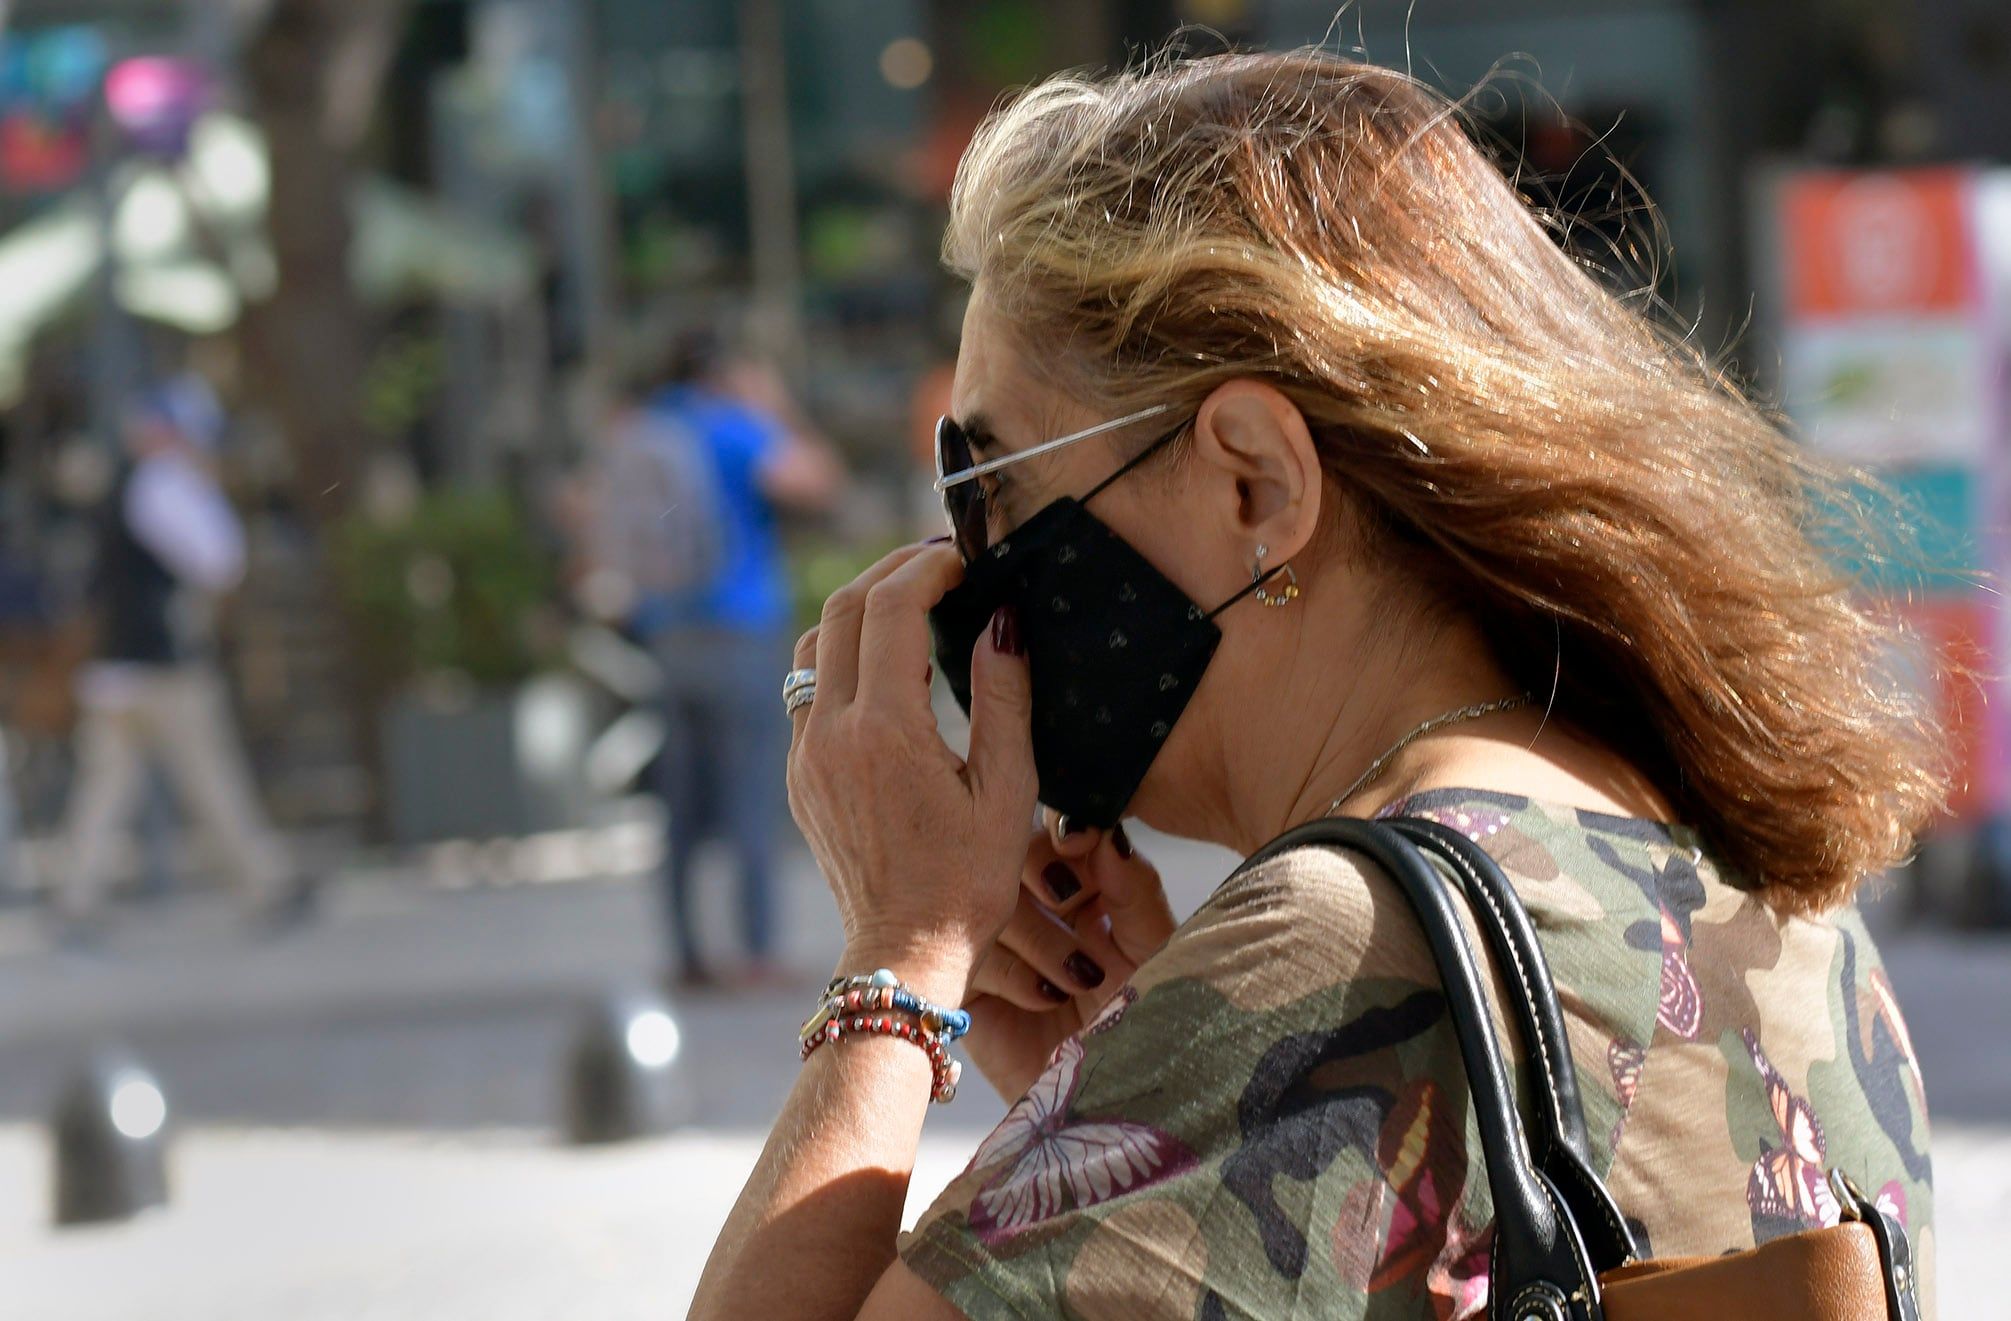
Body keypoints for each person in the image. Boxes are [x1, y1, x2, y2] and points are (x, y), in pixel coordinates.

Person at [691, 50, 1943, 1319]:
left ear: (1254, 483)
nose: (966, 568)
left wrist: (896, 965)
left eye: (994, 485)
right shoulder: (1776, 892)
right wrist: (1137, 1088)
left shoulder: (1335, 950)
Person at [611, 334, 844, 989]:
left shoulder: (643, 426)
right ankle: (757, 950)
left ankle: (687, 953)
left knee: (679, 803)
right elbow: (814, 481)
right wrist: (775, 407)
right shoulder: (734, 428)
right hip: (738, 628)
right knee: (749, 791)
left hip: (667, 632)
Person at [55, 377, 307, 938]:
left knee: (105, 791)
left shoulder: (125, 485)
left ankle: (77, 900)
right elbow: (222, 560)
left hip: (114, 670)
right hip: (163, 669)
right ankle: (265, 884)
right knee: (211, 778)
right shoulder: (164, 485)